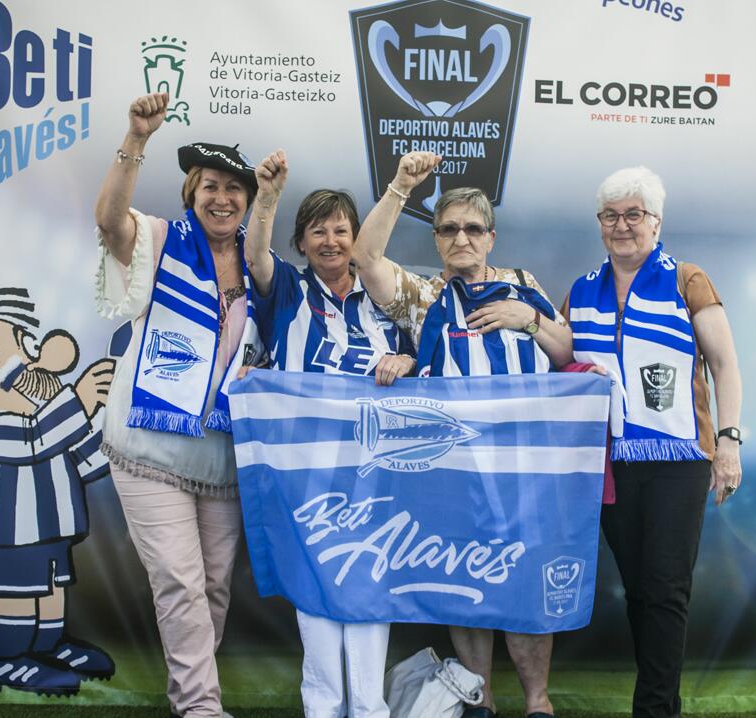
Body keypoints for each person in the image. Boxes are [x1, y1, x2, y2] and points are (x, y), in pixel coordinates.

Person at [350, 151, 572, 718]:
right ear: (436, 240)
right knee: (466, 583)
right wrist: (401, 185)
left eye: (473, 229)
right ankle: (481, 699)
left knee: (524, 584)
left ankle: (538, 702)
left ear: (491, 238)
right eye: (448, 229)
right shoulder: (423, 297)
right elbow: (365, 256)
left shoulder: (523, 285)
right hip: (453, 472)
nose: (461, 238)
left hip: (524, 470)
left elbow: (565, 351)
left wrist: (529, 320)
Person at [94, 92, 263, 718]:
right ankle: (200, 708)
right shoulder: (161, 239)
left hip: (221, 456)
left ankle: (189, 698)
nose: (222, 198)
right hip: (150, 448)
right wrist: (136, 138)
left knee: (212, 588)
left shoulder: (260, 264)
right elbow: (110, 222)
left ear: (248, 200)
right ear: (192, 191)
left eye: (234, 188)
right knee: (181, 582)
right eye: (210, 185)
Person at [564, 166, 742, 718]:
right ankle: (665, 701)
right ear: (600, 223)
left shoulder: (687, 279)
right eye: (610, 215)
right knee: (640, 590)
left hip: (678, 459)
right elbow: (560, 360)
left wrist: (730, 443)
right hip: (609, 461)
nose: (622, 226)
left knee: (666, 588)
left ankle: (655, 709)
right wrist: (527, 321)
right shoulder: (581, 290)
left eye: (633, 214)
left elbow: (724, 365)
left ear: (656, 222)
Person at [243, 149, 414, 718]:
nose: (331, 241)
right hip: (305, 469)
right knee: (315, 584)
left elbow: (426, 355)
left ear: (357, 237)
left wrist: (408, 361)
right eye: (318, 231)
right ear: (301, 242)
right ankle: (323, 707)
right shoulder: (288, 291)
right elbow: (255, 256)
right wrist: (267, 198)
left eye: (342, 230)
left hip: (375, 468)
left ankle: (368, 708)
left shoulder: (386, 295)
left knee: (368, 582)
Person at [0, 288, 114, 695]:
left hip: (46, 531)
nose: (43, 360)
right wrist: (80, 401)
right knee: (19, 587)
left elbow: (86, 459)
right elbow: (36, 440)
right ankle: (2, 658)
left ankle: (49, 645)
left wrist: (105, 422)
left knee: (52, 584)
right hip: (3, 536)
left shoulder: (48, 420)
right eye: (29, 348)